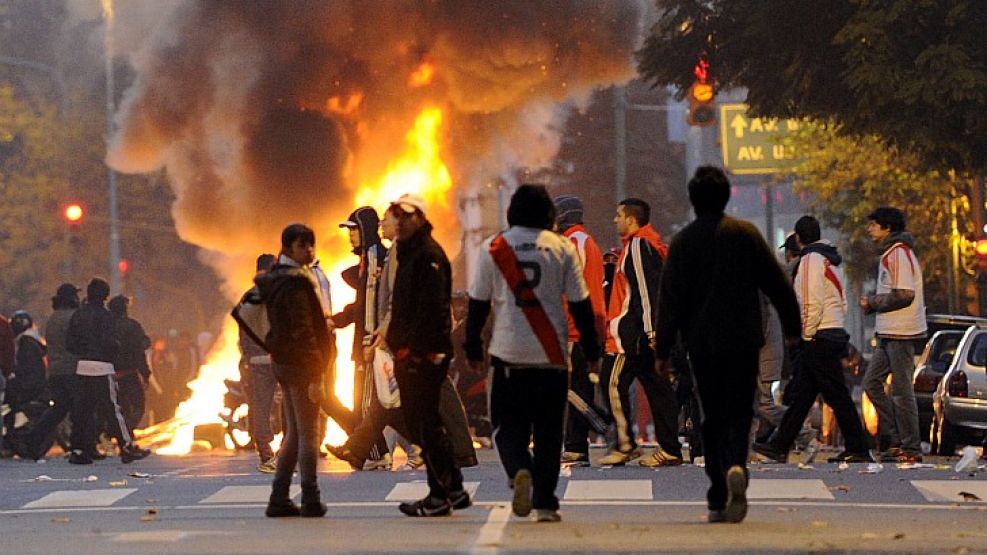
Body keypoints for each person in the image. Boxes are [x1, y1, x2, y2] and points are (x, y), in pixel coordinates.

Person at [655, 166, 800, 523]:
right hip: (744, 338)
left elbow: (669, 299)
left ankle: (718, 490)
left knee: (712, 415)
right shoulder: (745, 234)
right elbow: (777, 284)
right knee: (740, 410)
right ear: (726, 197)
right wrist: (792, 328)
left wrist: (661, 350)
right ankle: (737, 465)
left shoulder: (683, 242)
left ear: (692, 201)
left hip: (702, 343)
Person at [467, 184, 601, 522]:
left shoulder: (494, 247)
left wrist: (472, 346)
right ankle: (545, 502)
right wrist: (591, 347)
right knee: (549, 432)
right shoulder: (560, 248)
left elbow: (478, 304)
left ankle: (518, 471)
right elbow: (581, 303)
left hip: (508, 353)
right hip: (552, 356)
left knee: (506, 428)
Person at [752, 215, 872, 464]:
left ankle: (858, 448)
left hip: (818, 336)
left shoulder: (809, 261)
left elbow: (810, 302)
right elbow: (841, 300)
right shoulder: (830, 259)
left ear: (798, 237)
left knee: (835, 395)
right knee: (801, 396)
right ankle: (779, 445)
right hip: (832, 330)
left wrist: (805, 334)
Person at [386, 192, 471, 517]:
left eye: (407, 215)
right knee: (424, 422)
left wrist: (418, 351)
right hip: (411, 353)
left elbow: (433, 309)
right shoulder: (408, 253)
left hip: (422, 355)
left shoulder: (427, 255)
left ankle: (440, 495)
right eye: (397, 215)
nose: (400, 221)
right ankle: (453, 488)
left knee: (425, 425)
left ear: (420, 218)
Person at [599, 198, 682, 466]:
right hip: (643, 334)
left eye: (618, 215)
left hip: (630, 337)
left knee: (610, 382)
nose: (615, 220)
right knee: (660, 391)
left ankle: (625, 444)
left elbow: (647, 293)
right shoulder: (650, 244)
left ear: (631, 220)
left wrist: (651, 331)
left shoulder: (637, 246)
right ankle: (669, 449)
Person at [256, 224, 330, 518]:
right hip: (301, 366)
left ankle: (279, 497)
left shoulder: (273, 278)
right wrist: (317, 373)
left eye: (312, 244)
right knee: (308, 433)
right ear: (288, 247)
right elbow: (305, 331)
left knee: (295, 433)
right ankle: (310, 498)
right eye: (303, 245)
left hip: (283, 363)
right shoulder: (295, 282)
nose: (309, 251)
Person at [860, 206, 926, 462]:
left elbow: (904, 293)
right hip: (889, 331)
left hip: (900, 331)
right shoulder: (891, 253)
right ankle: (895, 439)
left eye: (874, 225)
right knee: (871, 384)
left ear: (887, 228)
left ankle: (910, 447)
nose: (869, 229)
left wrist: (873, 302)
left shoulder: (897, 254)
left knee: (901, 391)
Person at [66, 278, 149, 465]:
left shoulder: (78, 314)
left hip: (83, 367)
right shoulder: (106, 316)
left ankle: (78, 450)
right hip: (102, 368)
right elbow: (111, 343)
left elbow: (69, 344)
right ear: (104, 295)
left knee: (82, 411)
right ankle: (126, 447)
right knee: (113, 410)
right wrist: (111, 354)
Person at [332, 206, 390, 469]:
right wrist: (337, 320)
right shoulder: (367, 259)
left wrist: (368, 341)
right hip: (365, 343)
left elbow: (371, 305)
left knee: (367, 404)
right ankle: (369, 452)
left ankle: (377, 454)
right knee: (370, 404)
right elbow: (359, 304)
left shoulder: (375, 257)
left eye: (353, 230)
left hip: (370, 344)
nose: (350, 236)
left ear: (365, 230)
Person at [553, 195, 607, 467]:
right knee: (576, 387)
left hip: (574, 330)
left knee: (572, 389)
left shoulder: (574, 243)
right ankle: (575, 446)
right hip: (584, 328)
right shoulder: (586, 242)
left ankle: (601, 425)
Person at [234, 253, 280, 473]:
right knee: (290, 405)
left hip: (257, 360)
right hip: (278, 358)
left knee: (260, 407)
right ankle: (287, 453)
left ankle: (266, 454)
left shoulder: (248, 296)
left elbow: (243, 332)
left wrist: (248, 355)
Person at [26, 284, 81, 460]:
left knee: (58, 410)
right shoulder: (73, 318)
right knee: (79, 409)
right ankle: (79, 446)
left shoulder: (53, 318)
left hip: (55, 371)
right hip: (72, 370)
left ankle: (34, 437)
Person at [108, 296, 152, 433]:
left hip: (110, 375)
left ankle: (123, 436)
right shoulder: (132, 326)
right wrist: (145, 373)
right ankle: (124, 432)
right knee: (138, 406)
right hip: (129, 374)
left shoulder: (106, 326)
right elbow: (140, 350)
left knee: (121, 407)